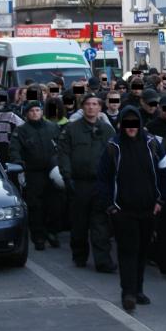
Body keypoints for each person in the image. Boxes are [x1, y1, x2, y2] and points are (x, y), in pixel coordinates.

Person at [97, 106, 166, 312]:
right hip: (123, 211)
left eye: (134, 123)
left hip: (149, 210)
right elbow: (103, 178)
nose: (131, 128)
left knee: (142, 252)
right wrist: (110, 207)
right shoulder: (113, 147)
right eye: (127, 123)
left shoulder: (152, 144)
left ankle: (138, 290)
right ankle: (127, 292)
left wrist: (161, 200)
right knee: (128, 252)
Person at [59, 93, 117, 272]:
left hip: (100, 184)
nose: (91, 107)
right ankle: (79, 255)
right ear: (83, 107)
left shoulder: (108, 131)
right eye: (88, 104)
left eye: (95, 104)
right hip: (79, 183)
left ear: (100, 108)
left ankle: (102, 261)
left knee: (100, 224)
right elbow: (64, 154)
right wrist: (67, 177)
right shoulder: (72, 129)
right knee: (79, 223)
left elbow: (114, 156)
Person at [8, 100, 62, 250]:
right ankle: (38, 237)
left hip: (53, 172)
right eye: (31, 111)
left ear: (42, 112)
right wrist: (18, 161)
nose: (35, 113)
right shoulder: (21, 130)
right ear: (27, 114)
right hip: (33, 173)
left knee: (55, 205)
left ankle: (52, 232)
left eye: (37, 110)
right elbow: (14, 149)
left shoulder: (53, 127)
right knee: (36, 206)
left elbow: (62, 146)